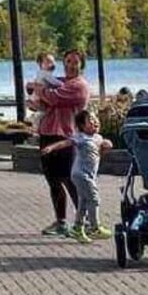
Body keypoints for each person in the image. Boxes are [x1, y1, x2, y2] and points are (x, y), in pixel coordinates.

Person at [34, 49, 91, 236]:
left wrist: (39, 89)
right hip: (47, 133)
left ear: (81, 64)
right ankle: (61, 222)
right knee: (53, 181)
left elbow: (54, 98)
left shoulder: (79, 85)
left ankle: (86, 221)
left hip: (67, 137)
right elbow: (42, 101)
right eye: (67, 61)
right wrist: (38, 95)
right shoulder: (59, 81)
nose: (70, 65)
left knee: (70, 179)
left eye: (75, 62)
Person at [41, 110, 113, 243]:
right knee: (94, 198)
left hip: (89, 175)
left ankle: (77, 228)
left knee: (83, 202)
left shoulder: (98, 138)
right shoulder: (81, 137)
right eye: (90, 121)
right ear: (82, 126)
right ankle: (94, 227)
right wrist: (51, 147)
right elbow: (66, 143)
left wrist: (106, 146)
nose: (95, 122)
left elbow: (97, 155)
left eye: (95, 119)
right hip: (80, 174)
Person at [26, 52, 61, 130]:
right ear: (40, 64)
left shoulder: (42, 73)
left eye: (53, 61)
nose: (51, 64)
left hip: (37, 96)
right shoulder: (44, 73)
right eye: (48, 62)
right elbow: (54, 82)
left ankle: (37, 124)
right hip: (38, 97)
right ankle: (38, 125)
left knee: (43, 113)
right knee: (44, 112)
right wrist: (65, 85)